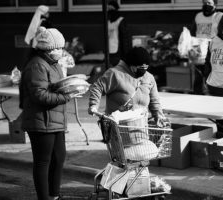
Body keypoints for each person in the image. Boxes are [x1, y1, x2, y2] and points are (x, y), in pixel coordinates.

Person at [19, 26, 76, 200]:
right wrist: (66, 96)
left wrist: (71, 86)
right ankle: (45, 197)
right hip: (40, 121)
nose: (60, 51)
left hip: (55, 119)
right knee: (43, 162)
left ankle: (54, 196)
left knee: (59, 158)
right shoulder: (37, 65)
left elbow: (57, 86)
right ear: (47, 48)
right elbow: (40, 95)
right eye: (57, 48)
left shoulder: (53, 63)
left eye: (61, 48)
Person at [88, 47, 167, 126]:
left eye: (145, 68)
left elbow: (155, 101)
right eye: (139, 68)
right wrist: (93, 105)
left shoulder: (149, 78)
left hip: (141, 127)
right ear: (130, 64)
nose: (142, 71)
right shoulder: (114, 74)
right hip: (117, 126)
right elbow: (98, 87)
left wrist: (159, 117)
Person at [190, 0, 223, 95]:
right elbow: (193, 33)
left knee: (211, 76)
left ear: (215, 4)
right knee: (198, 77)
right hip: (199, 51)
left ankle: (211, 96)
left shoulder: (219, 16)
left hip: (212, 50)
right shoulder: (198, 16)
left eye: (209, 2)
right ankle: (197, 96)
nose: (206, 5)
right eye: (205, 2)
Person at [107, 0, 132, 67]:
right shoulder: (108, 21)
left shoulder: (121, 21)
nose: (110, 11)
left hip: (119, 50)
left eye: (111, 9)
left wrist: (126, 52)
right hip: (109, 49)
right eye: (108, 9)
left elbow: (125, 38)